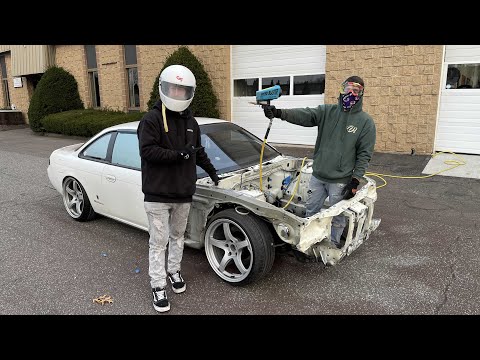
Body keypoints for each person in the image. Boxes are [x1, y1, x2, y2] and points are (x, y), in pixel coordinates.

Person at [137, 64, 219, 313]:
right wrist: (178, 154)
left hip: (183, 193)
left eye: (182, 90)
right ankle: (158, 284)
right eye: (173, 88)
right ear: (164, 88)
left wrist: (213, 172)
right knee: (158, 241)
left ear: (189, 92)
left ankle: (174, 271)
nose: (177, 93)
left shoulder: (192, 122)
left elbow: (198, 152)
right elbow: (147, 151)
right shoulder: (151, 120)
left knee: (178, 237)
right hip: (157, 194)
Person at [264, 75, 376, 249]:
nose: (352, 93)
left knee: (337, 216)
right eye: (349, 89)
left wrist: (355, 181)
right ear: (342, 89)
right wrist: (279, 113)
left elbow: (364, 154)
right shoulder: (327, 112)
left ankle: (332, 244)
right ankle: (311, 243)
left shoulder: (365, 122)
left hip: (340, 180)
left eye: (357, 90)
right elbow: (304, 115)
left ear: (362, 94)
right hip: (318, 176)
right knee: (311, 212)